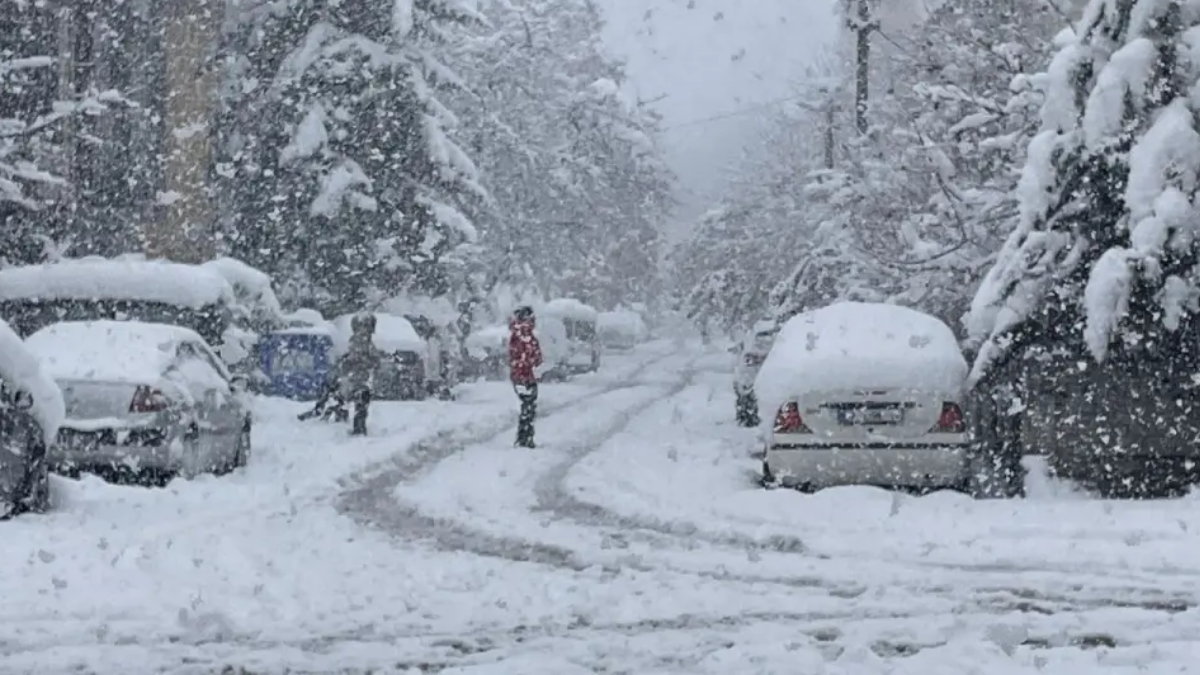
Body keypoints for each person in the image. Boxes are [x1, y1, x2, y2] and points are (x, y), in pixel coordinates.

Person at [508, 305, 543, 448]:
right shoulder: (523, 335)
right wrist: (531, 364)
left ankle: (525, 436)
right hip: (524, 375)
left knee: (528, 406)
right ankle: (525, 437)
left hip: (521, 375)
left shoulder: (519, 334)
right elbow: (529, 355)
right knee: (529, 406)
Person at [342, 312, 379, 436]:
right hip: (362, 379)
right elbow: (373, 359)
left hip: (358, 379)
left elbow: (349, 359)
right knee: (361, 404)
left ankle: (359, 427)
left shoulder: (356, 342)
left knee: (359, 405)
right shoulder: (365, 343)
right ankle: (359, 428)